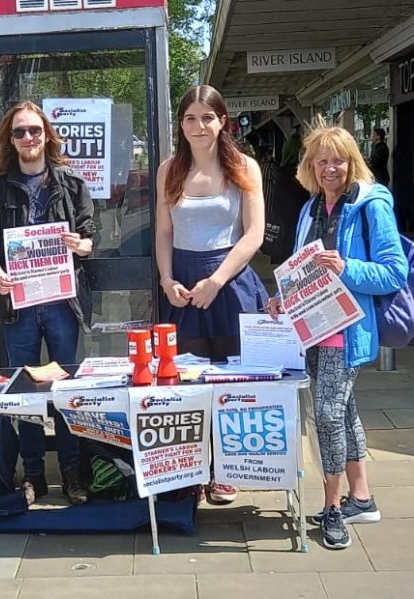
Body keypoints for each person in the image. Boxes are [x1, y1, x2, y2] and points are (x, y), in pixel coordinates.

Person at [267, 122, 407, 550]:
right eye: (322, 161)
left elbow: (394, 271)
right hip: (311, 329)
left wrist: (347, 267)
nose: (331, 169)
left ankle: (331, 508)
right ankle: (361, 499)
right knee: (343, 413)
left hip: (346, 333)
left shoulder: (371, 205)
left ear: (353, 162)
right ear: (310, 165)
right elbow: (301, 266)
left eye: (339, 160)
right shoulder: (311, 208)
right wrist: (280, 297)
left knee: (326, 415)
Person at [0, 101, 95, 505]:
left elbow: (90, 235)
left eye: (34, 131)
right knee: (25, 391)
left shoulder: (71, 182)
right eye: (19, 132)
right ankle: (32, 476)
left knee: (65, 389)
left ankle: (72, 471)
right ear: (10, 140)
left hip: (62, 301)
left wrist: (81, 245)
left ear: (47, 134)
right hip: (19, 303)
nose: (28, 138)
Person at [155, 85, 267, 504]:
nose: (199, 126)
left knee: (231, 380)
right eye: (190, 118)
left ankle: (226, 469)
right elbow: (165, 232)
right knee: (186, 380)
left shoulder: (244, 168)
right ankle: (192, 469)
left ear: (223, 121)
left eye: (207, 117)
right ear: (180, 124)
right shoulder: (170, 170)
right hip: (182, 285)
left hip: (231, 283)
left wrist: (217, 280)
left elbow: (253, 234)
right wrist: (167, 279)